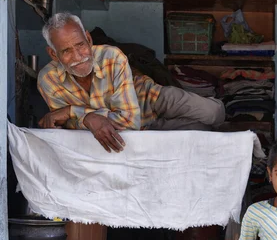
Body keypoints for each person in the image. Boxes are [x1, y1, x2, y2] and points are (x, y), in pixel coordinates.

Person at [37, 12, 225, 153]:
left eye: (80, 45)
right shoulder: (49, 80)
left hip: (149, 98)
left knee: (213, 113)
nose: (78, 57)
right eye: (66, 51)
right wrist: (87, 118)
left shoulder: (111, 56)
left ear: (88, 38)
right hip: (143, 130)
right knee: (204, 132)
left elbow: (128, 120)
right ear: (53, 54)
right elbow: (69, 129)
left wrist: (76, 113)